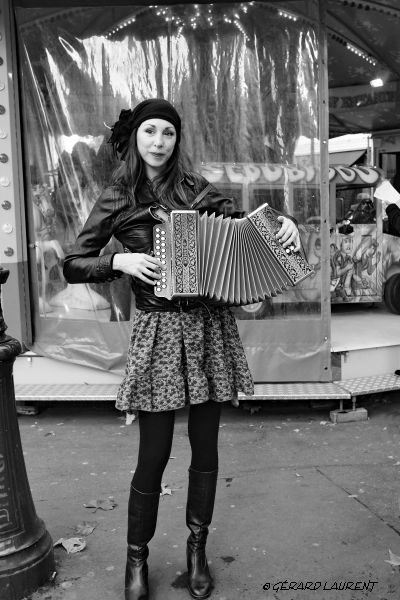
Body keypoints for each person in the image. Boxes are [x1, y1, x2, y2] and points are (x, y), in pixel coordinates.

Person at [63, 98, 300, 600]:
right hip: (160, 331)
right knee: (154, 452)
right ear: (134, 137)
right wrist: (120, 262)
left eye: (167, 133)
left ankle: (198, 548)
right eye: (150, 131)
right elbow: (73, 262)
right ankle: (136, 557)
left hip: (209, 326)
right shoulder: (118, 195)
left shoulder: (196, 189)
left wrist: (284, 223)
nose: (158, 142)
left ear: (176, 140)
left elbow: (244, 226)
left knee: (206, 448)